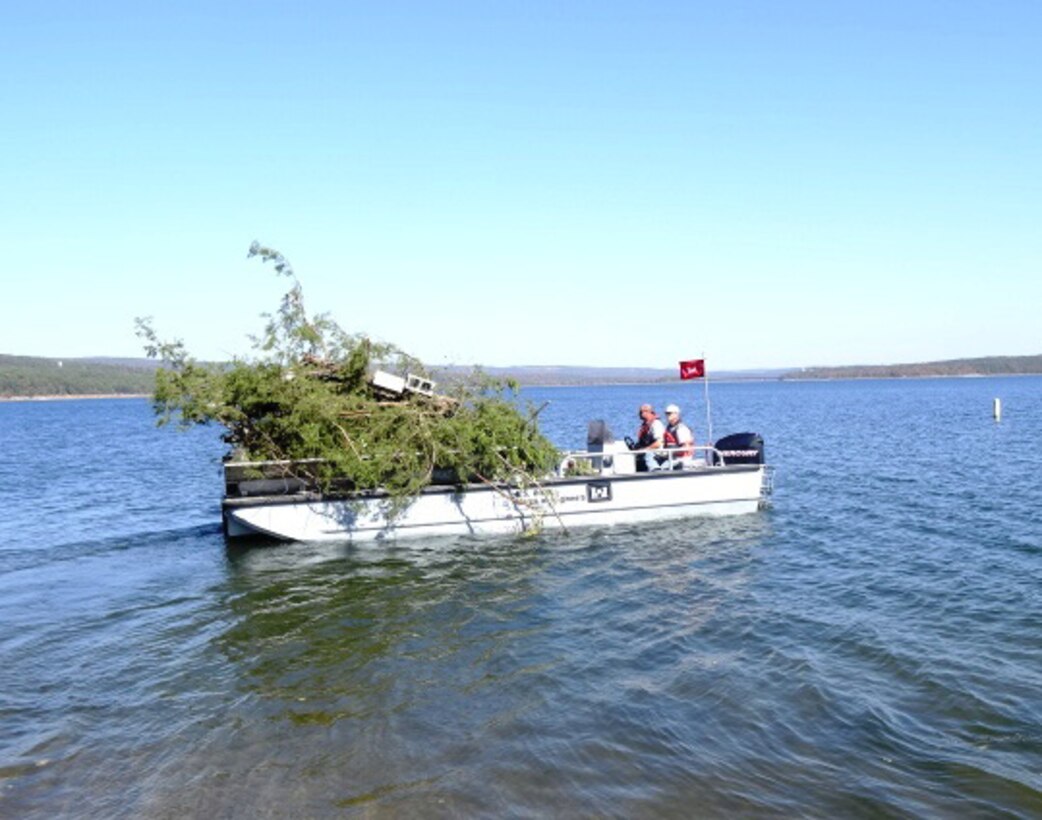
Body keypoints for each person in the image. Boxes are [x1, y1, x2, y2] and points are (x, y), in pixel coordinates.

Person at [630, 403, 666, 471]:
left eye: (640, 412)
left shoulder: (656, 424)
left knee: (646, 455)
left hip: (656, 454)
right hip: (647, 452)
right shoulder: (645, 425)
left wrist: (645, 449)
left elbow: (659, 443)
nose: (639, 415)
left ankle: (655, 471)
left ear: (646, 412)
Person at [663, 403, 695, 468]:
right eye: (667, 414)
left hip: (681, 460)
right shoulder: (669, 429)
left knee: (662, 467)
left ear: (676, 414)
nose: (667, 416)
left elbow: (686, 447)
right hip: (671, 458)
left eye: (669, 413)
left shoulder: (681, 429)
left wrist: (670, 452)